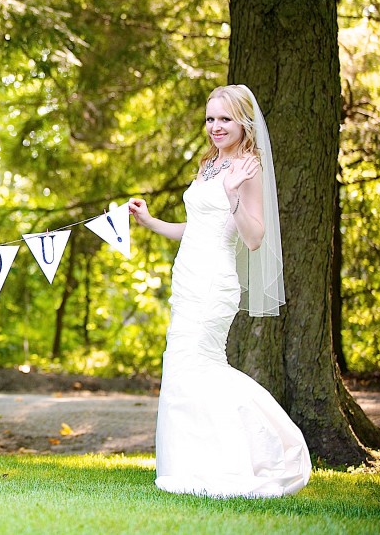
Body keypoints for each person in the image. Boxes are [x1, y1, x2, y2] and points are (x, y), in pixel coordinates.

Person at [128, 84, 311, 498]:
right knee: (180, 365)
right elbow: (195, 229)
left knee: (200, 365)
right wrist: (151, 221)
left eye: (224, 119)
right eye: (210, 118)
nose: (215, 127)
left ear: (243, 121)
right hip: (188, 277)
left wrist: (233, 198)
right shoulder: (210, 163)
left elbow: (254, 237)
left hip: (215, 282)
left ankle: (263, 448)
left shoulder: (249, 167)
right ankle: (189, 464)